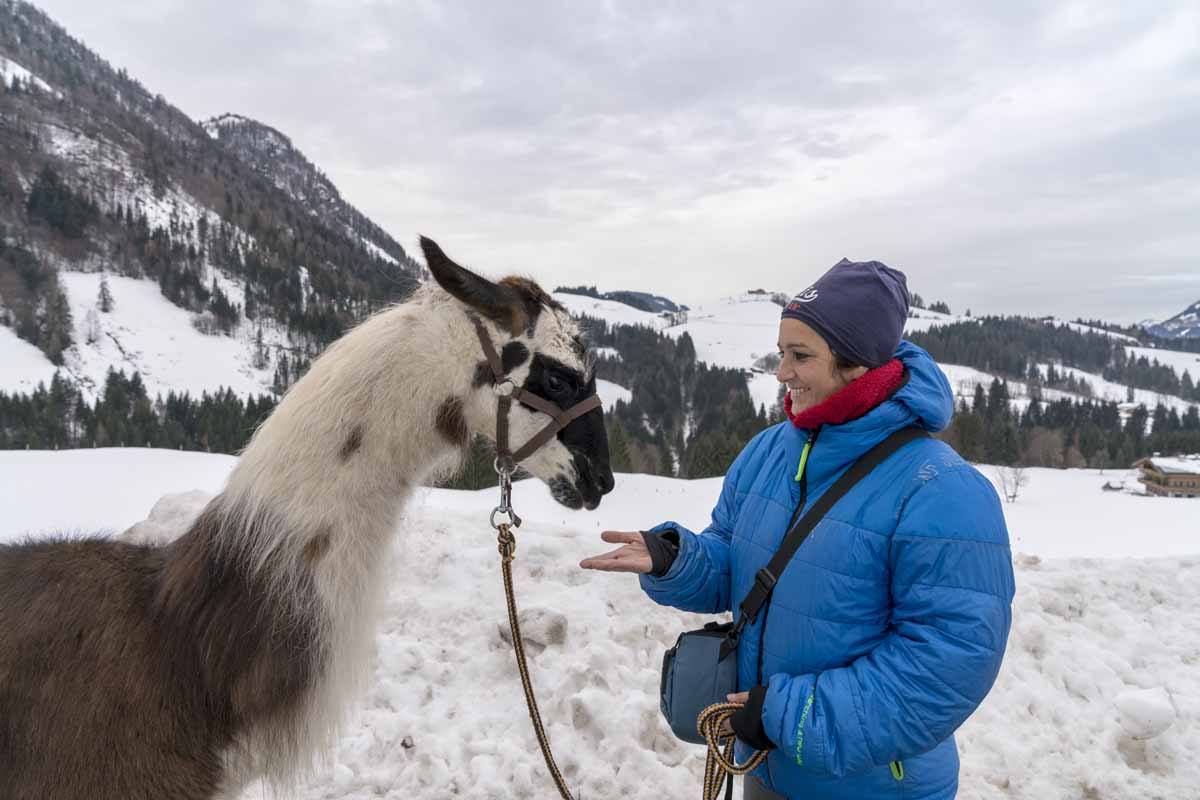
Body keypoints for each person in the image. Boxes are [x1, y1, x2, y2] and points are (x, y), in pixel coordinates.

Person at [581, 258, 1016, 800]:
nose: (781, 371)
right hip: (765, 767)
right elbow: (738, 564)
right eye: (782, 351)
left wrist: (793, 715)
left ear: (857, 363)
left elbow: (946, 665)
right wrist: (677, 557)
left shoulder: (942, 490)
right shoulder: (770, 450)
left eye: (801, 355)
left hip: (872, 786)